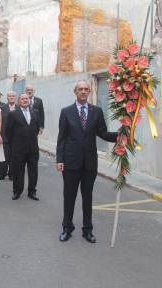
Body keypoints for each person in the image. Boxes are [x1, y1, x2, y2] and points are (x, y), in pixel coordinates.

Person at [56, 80, 118, 243]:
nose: (83, 91)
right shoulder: (66, 112)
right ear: (75, 92)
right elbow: (61, 138)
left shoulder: (96, 111)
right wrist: (60, 159)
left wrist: (119, 136)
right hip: (70, 162)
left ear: (89, 92)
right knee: (69, 197)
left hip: (89, 163)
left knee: (87, 197)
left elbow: (103, 133)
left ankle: (87, 230)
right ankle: (67, 228)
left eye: (86, 89)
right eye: (80, 89)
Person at [7, 94, 40, 201]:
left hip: (33, 148)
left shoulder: (35, 112)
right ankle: (17, 191)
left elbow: (37, 128)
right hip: (18, 148)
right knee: (18, 171)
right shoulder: (13, 114)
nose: (25, 100)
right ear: (18, 101)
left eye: (27, 98)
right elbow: (9, 131)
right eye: (23, 99)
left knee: (33, 171)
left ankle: (32, 191)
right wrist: (14, 144)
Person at [0, 91, 17, 181]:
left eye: (13, 96)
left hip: (16, 137)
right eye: (9, 96)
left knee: (13, 156)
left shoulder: (19, 108)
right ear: (7, 98)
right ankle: (2, 174)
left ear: (15, 97)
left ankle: (11, 174)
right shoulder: (2, 108)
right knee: (4, 155)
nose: (11, 97)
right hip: (4, 135)